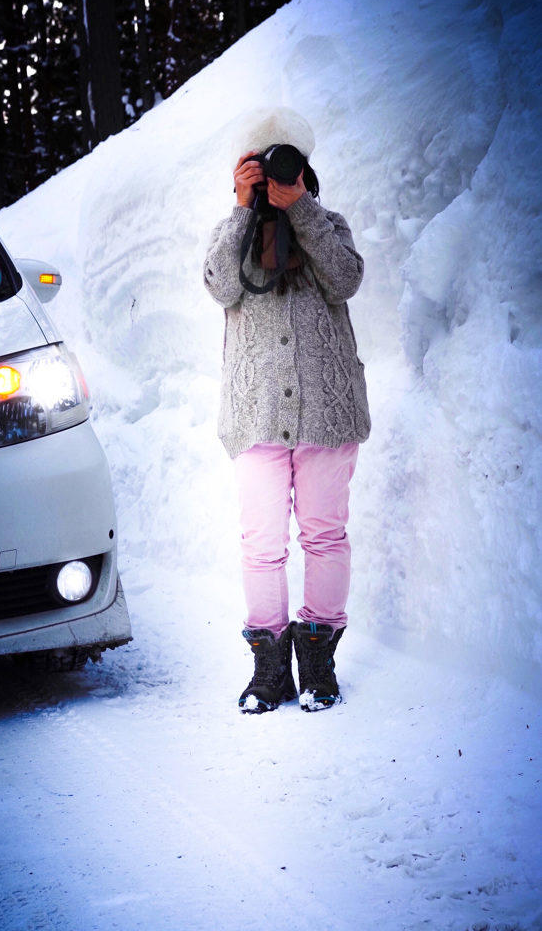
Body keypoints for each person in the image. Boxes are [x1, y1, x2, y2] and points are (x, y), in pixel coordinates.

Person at [203, 107, 371, 714]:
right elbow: (220, 284)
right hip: (256, 412)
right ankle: (270, 669)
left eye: (286, 162)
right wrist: (243, 207)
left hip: (327, 409)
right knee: (262, 544)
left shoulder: (328, 224)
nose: (276, 173)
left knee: (325, 535)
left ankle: (319, 664)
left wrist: (301, 209)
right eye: (263, 163)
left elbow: (347, 279)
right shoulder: (234, 233)